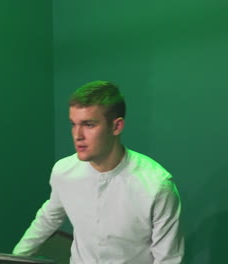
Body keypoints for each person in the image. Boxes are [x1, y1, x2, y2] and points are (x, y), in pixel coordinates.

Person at [13, 81, 184, 264]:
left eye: (89, 125)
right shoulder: (63, 172)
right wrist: (15, 258)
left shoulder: (157, 185)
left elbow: (168, 259)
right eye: (73, 124)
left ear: (116, 127)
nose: (78, 135)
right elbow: (49, 218)